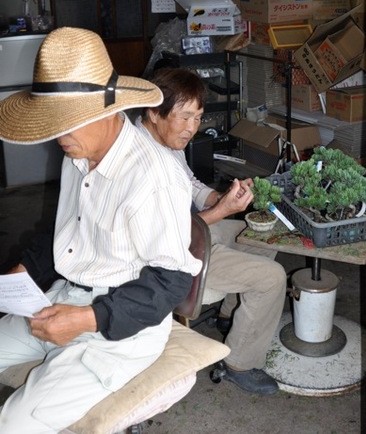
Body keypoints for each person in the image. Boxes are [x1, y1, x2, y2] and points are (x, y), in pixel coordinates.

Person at [0, 28, 202, 434]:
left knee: (14, 425)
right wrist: (27, 269)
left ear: (110, 110)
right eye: (54, 125)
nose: (59, 137)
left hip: (120, 331)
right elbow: (65, 228)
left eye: (68, 123)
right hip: (64, 297)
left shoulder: (153, 177)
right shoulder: (77, 152)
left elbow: (170, 283)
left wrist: (89, 318)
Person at [136, 67, 287, 395]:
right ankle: (239, 364)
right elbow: (169, 235)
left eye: (198, 118)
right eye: (184, 117)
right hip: (167, 260)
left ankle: (230, 314)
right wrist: (221, 211)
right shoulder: (142, 161)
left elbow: (190, 185)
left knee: (260, 231)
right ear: (153, 111)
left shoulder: (162, 136)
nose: (192, 128)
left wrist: (222, 198)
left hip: (190, 234)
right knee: (273, 278)